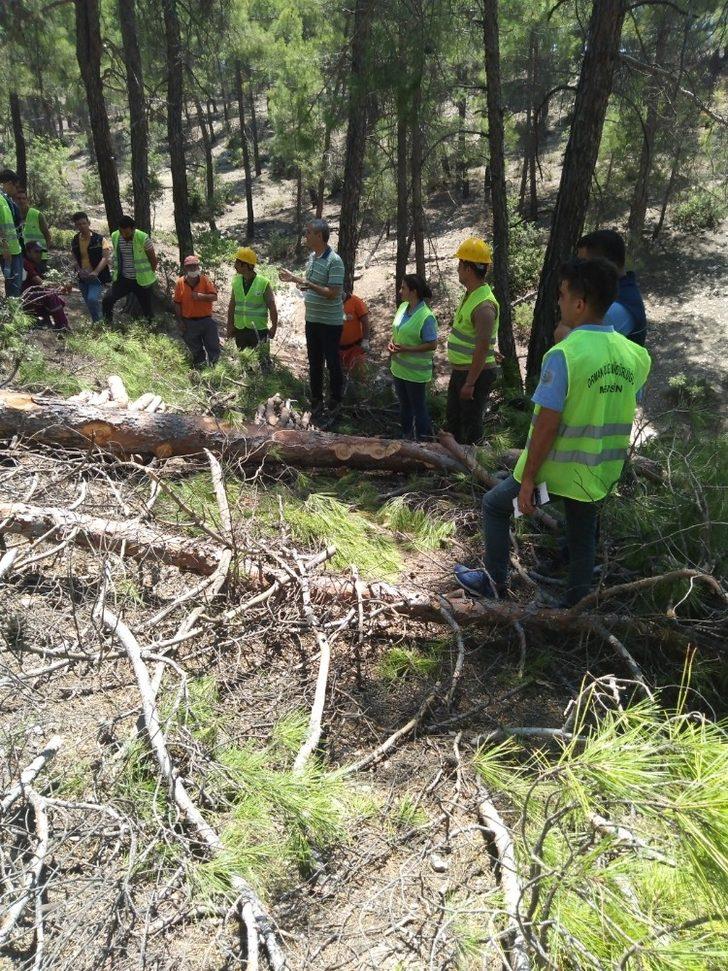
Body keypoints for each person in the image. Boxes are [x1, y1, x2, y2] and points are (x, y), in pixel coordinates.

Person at [454, 257, 651, 607]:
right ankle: (576, 607)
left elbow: (547, 425)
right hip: (599, 474)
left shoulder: (564, 355)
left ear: (579, 303)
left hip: (555, 472)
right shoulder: (635, 356)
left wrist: (528, 480)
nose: (557, 302)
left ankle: (494, 582)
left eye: (561, 295)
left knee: (497, 506)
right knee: (582, 534)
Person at [279, 218, 345, 414]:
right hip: (312, 320)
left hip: (330, 322)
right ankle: (316, 400)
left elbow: (332, 292)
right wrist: (294, 280)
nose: (305, 236)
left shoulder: (335, 261)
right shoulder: (312, 258)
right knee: (314, 361)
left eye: (308, 232)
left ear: (319, 235)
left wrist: (306, 283)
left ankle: (336, 400)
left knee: (332, 362)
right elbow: (309, 285)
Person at [446, 237, 500, 444]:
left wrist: (470, 383)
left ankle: (475, 470)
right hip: (463, 371)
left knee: (470, 425)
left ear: (468, 269)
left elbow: (482, 346)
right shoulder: (471, 295)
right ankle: (456, 465)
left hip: (473, 374)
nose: (458, 269)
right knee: (455, 420)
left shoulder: (484, 305)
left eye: (460, 264)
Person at [576, 229, 647, 345]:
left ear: (605, 265)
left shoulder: (613, 310)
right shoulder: (621, 293)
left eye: (584, 264)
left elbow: (577, 347)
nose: (578, 270)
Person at [389, 273, 438, 441]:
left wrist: (408, 349)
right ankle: (406, 437)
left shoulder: (426, 316)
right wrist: (391, 343)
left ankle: (424, 443)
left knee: (418, 408)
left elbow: (432, 344)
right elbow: (397, 330)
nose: (400, 290)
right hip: (399, 369)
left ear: (414, 291)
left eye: (403, 288)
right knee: (404, 406)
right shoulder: (403, 307)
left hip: (415, 374)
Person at [102, 215, 157, 323]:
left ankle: (152, 330)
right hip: (123, 279)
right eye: (121, 232)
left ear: (133, 229)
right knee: (107, 300)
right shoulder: (115, 236)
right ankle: (107, 325)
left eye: (126, 233)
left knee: (147, 310)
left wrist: (149, 275)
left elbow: (153, 260)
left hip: (141, 281)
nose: (123, 235)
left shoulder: (143, 238)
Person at [226, 247, 278, 362]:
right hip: (240, 329)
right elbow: (232, 305)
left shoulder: (263, 283)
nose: (234, 266)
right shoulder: (236, 281)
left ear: (245, 265)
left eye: (237, 263)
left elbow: (272, 306)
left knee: (262, 362)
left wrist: (274, 327)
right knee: (244, 363)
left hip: (259, 331)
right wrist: (230, 325)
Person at [174, 254, 220, 369]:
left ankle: (215, 372)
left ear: (198, 267)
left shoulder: (205, 280)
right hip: (189, 323)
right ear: (185, 268)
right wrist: (180, 321)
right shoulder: (180, 283)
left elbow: (214, 297)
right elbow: (177, 303)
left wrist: (200, 296)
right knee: (196, 351)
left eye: (195, 266)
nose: (193, 269)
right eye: (190, 267)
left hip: (206, 321)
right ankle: (200, 372)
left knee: (213, 348)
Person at [71, 211, 112, 322]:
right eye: (79, 224)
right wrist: (79, 270)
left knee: (92, 299)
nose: (82, 226)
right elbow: (74, 256)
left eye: (84, 223)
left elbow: (105, 257)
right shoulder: (75, 240)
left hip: (96, 277)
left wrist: (96, 272)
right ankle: (96, 322)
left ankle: (101, 322)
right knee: (88, 302)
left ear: (89, 223)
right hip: (82, 277)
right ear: (75, 225)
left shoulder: (100, 239)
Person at [21, 242, 70, 331]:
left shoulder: (33, 264)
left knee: (59, 301)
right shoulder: (26, 263)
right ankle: (62, 326)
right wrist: (59, 287)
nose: (39, 255)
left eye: (40, 252)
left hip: (32, 295)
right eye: (36, 252)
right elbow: (41, 283)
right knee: (52, 296)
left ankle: (46, 321)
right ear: (28, 252)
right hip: (25, 297)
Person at [16, 189, 51, 274]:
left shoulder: (37, 214)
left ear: (27, 200)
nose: (21, 201)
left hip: (38, 257)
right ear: (14, 200)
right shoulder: (13, 215)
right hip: (21, 256)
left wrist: (44, 254)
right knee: (24, 283)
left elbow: (47, 236)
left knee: (39, 283)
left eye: (24, 198)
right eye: (19, 198)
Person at [0, 168, 23, 297]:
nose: (16, 190)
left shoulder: (6, 199)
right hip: (8, 251)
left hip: (14, 249)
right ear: (9, 183)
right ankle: (13, 316)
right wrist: (5, 247)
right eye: (16, 186)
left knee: (14, 287)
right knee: (14, 289)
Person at [340, 290, 370, 373]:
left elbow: (365, 322)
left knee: (359, 375)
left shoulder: (355, 301)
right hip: (338, 349)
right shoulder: (331, 303)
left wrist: (365, 340)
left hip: (355, 348)